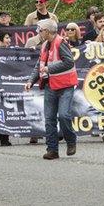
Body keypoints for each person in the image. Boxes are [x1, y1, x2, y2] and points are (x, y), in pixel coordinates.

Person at [26, 19, 78, 160]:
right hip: (50, 85)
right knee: (49, 119)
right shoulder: (44, 45)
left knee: (63, 116)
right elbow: (39, 66)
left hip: (65, 85)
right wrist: (31, 81)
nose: (39, 32)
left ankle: (71, 140)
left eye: (40, 30)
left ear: (47, 31)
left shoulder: (61, 43)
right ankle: (52, 150)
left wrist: (50, 68)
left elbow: (69, 62)